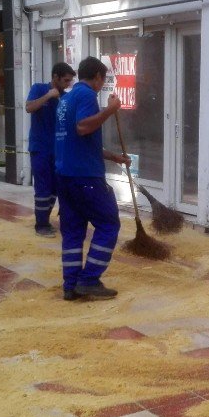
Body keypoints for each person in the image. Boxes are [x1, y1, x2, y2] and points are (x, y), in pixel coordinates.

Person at [55, 56, 130, 301]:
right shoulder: (86, 95)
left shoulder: (65, 99)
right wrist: (110, 109)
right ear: (97, 77)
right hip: (85, 177)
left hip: (65, 176)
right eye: (103, 79)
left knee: (74, 232)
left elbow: (78, 141)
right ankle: (89, 280)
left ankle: (71, 285)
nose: (102, 84)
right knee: (109, 224)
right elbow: (83, 128)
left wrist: (113, 157)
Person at [25, 62, 75, 237]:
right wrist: (48, 96)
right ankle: (41, 225)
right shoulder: (38, 88)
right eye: (65, 81)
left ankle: (45, 219)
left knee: (55, 187)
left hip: (58, 151)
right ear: (55, 77)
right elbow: (29, 107)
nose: (67, 85)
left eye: (70, 81)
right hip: (40, 148)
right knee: (43, 187)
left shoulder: (65, 98)